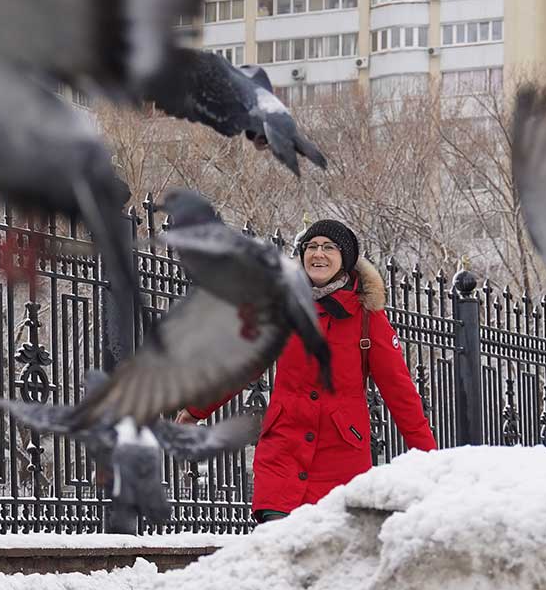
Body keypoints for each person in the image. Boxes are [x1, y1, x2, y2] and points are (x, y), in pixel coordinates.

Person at [177, 219, 437, 524]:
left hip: (341, 459)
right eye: (311, 247)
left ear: (346, 258)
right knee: (278, 549)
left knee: (331, 560)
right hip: (282, 452)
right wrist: (197, 409)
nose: (318, 254)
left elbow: (400, 391)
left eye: (329, 247)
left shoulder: (368, 318)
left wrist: (430, 460)